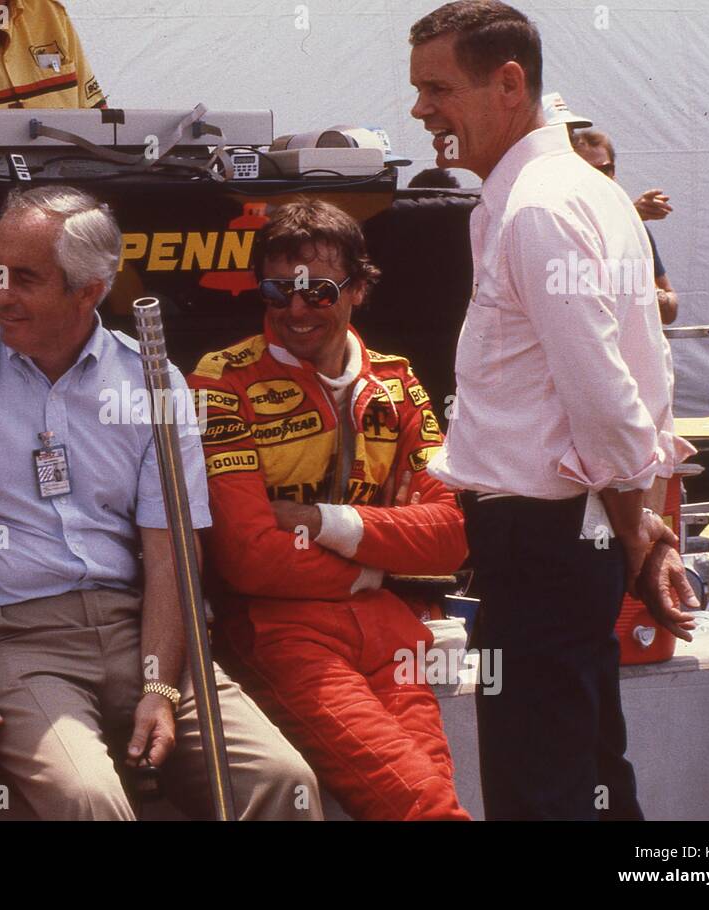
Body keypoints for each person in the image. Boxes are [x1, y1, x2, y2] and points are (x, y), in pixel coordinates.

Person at [0, 185, 319, 821]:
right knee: (87, 799)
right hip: (13, 638)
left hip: (138, 630)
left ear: (88, 291)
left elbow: (171, 549)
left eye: (26, 278)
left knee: (283, 780)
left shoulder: (154, 379)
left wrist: (160, 685)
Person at [408, 0, 698, 821]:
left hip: (543, 539)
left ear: (507, 84)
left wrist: (640, 524)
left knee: (542, 785)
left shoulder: (538, 206)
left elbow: (604, 391)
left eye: (437, 88)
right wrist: (638, 520)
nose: (421, 109)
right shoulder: (579, 192)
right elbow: (637, 380)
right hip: (563, 537)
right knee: (587, 767)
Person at [187, 200, 471, 821]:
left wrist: (322, 524)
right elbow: (251, 559)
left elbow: (453, 535)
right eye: (277, 291)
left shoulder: (397, 382)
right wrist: (382, 559)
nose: (295, 310)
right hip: (285, 631)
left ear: (359, 288)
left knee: (433, 796)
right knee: (423, 806)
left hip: (393, 631)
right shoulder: (221, 382)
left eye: (317, 291)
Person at [573, 129, 680, 323]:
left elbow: (670, 311)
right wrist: (629, 215)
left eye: (605, 170)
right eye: (587, 172)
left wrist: (656, 295)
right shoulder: (562, 226)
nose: (599, 179)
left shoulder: (636, 227)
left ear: (614, 172)